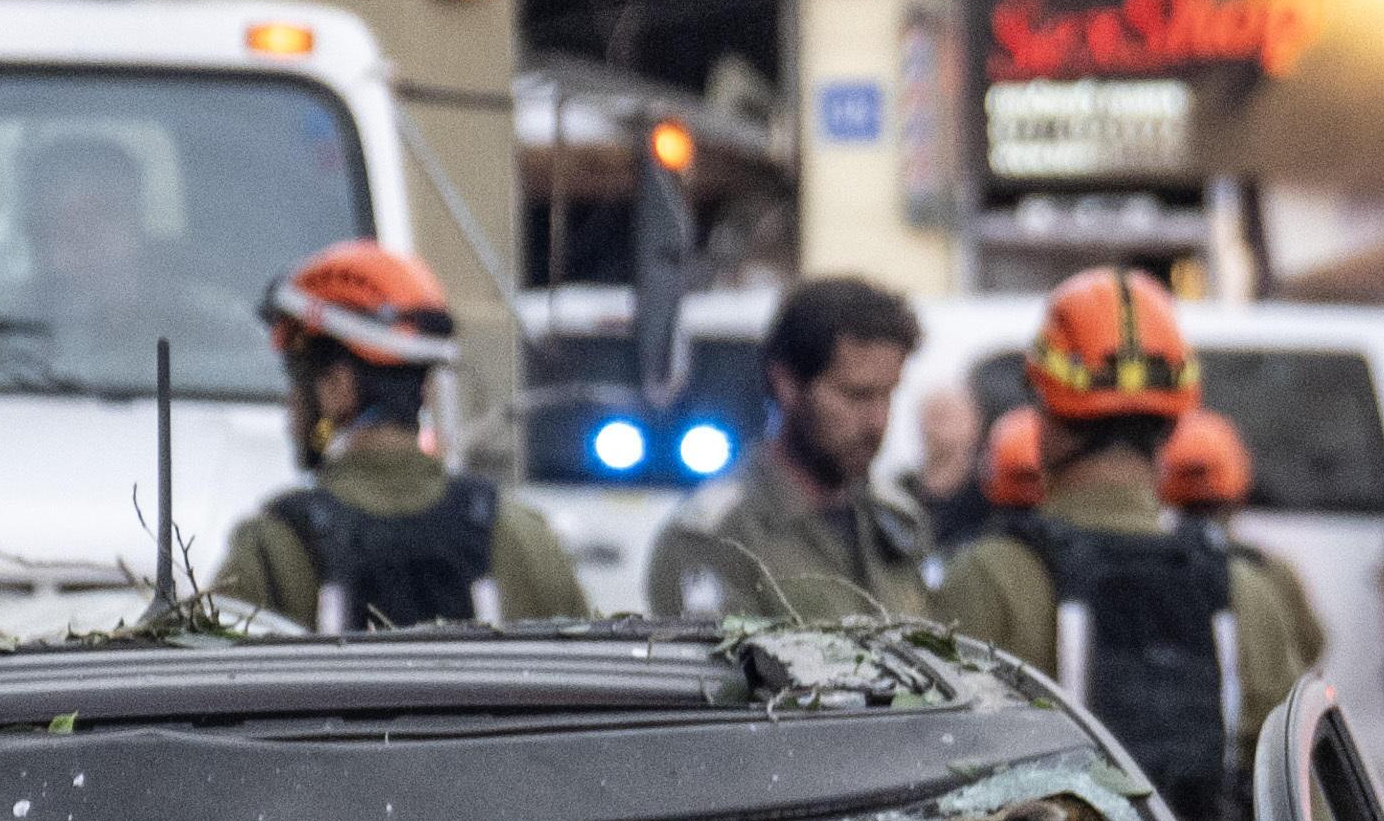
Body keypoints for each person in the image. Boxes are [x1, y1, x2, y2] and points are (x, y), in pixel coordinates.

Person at [936, 267, 1321, 821]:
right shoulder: (1247, 591)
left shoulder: (987, 579)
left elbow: (934, 798)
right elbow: (1306, 813)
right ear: (1174, 421)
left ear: (1045, 413)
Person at [217, 240, 587, 628]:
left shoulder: (271, 552)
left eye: (296, 382)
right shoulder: (523, 539)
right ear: (424, 390)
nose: (291, 406)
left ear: (337, 390)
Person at [660, 273, 943, 622]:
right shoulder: (718, 537)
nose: (877, 421)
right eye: (855, 395)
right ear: (787, 384)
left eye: (888, 394)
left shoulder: (899, 520)